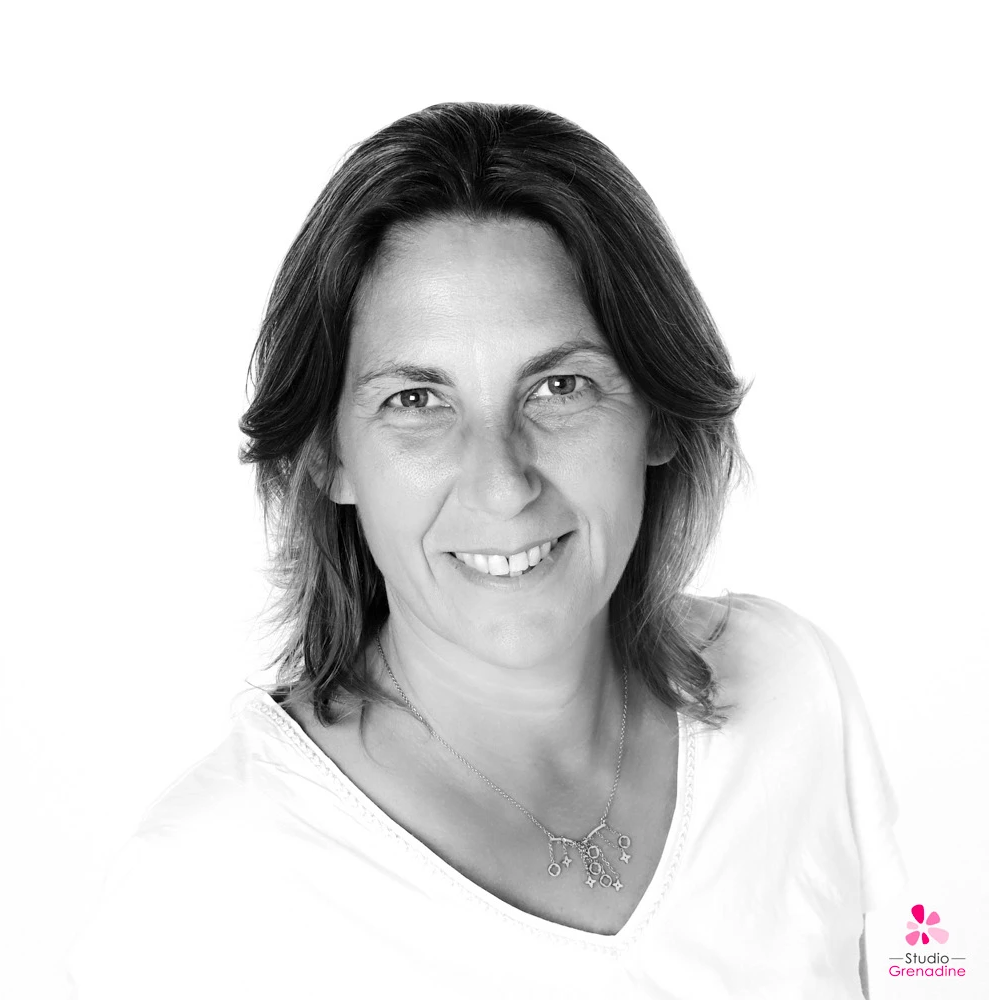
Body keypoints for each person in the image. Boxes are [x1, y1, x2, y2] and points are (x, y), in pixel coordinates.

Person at [66, 102, 906, 999]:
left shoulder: (794, 692)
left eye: (560, 386)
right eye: (416, 401)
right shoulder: (195, 898)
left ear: (658, 413)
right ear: (328, 455)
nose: (502, 483)